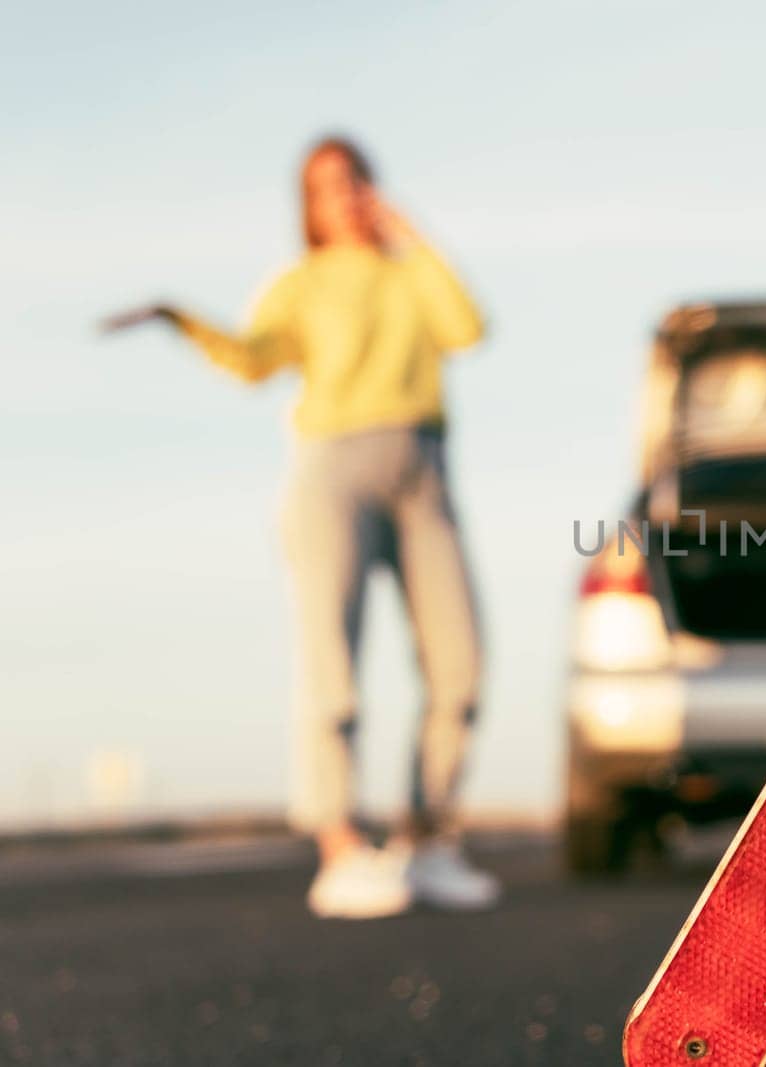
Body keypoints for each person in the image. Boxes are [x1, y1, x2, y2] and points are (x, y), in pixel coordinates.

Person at [107, 137, 499, 919]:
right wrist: (180, 320)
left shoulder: (408, 272)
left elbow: (466, 329)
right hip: (334, 467)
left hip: (424, 464)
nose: (344, 196)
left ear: (373, 189)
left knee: (459, 663)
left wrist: (413, 235)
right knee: (333, 662)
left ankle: (427, 842)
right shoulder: (300, 284)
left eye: (354, 181)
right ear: (309, 207)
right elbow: (253, 360)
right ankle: (341, 847)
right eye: (326, 187)